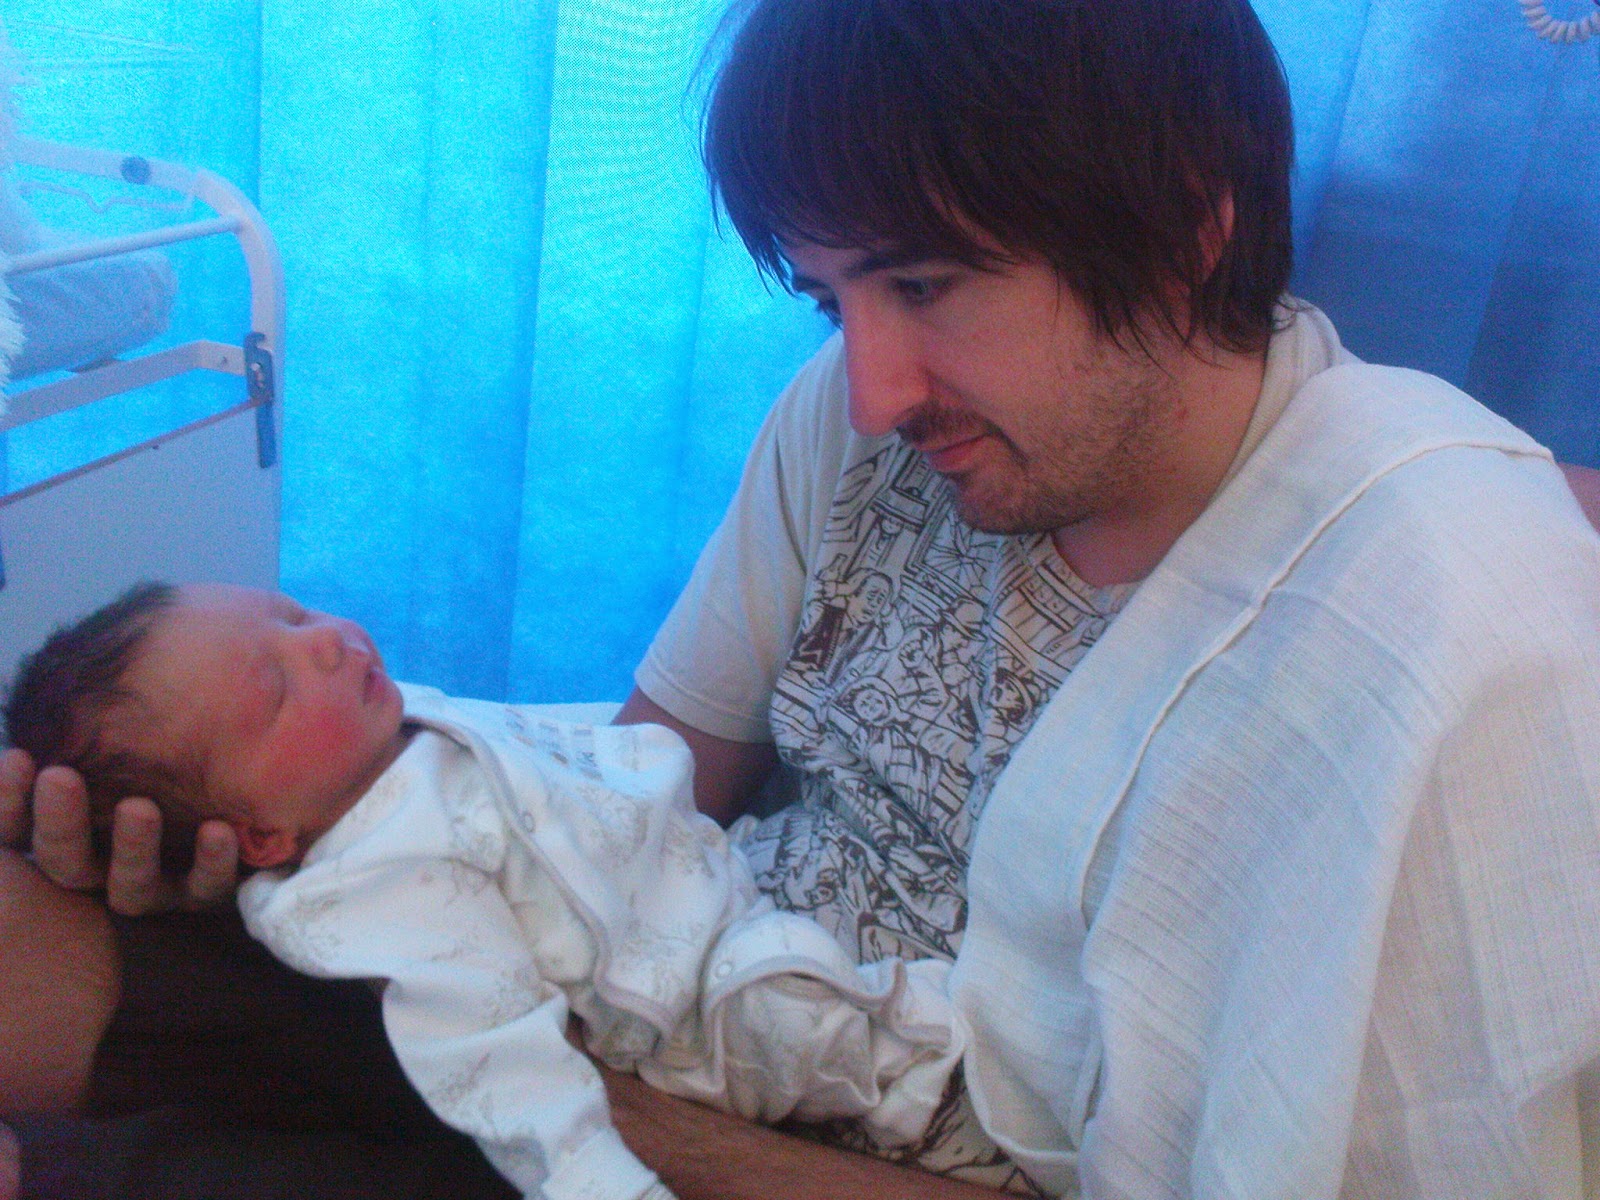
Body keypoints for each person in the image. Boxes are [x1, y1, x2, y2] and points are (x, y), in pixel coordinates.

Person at [4, 0, 1600, 1196]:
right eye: (835, 299)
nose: (876, 386)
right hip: (654, 988)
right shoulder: (860, 426)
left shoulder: (1422, 628)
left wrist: (594, 1104)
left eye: (924, 283)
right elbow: (652, 780)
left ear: (1188, 230)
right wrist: (351, 837)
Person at [5, 581, 964, 1200]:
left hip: (713, 889)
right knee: (892, 1044)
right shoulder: (388, 891)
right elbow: (508, 1076)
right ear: (261, 833)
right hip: (704, 1016)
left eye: (292, 616)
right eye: (276, 690)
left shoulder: (375, 748)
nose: (324, 644)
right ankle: (950, 1090)